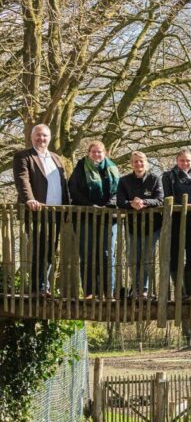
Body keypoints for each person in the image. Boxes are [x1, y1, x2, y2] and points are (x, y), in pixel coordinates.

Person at [13, 124, 69, 295]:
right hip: (37, 211)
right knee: (39, 248)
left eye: (44, 136)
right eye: (38, 135)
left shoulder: (57, 158)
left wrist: (68, 206)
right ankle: (38, 287)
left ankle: (44, 285)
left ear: (49, 138)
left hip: (56, 212)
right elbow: (23, 179)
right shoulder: (24, 156)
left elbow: (64, 183)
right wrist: (29, 199)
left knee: (51, 249)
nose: (41, 139)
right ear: (31, 137)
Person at [68, 140, 118, 298]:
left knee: (107, 254)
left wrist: (108, 205)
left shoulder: (113, 169)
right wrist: (90, 205)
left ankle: (108, 291)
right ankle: (90, 291)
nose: (97, 155)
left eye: (99, 152)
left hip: (108, 217)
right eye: (93, 152)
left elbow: (119, 191)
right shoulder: (80, 168)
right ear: (88, 153)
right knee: (87, 253)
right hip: (85, 217)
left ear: (105, 153)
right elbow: (73, 190)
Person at [116, 150, 163, 298]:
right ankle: (135, 288)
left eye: (141, 161)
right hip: (132, 227)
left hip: (153, 226)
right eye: (135, 161)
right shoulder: (124, 181)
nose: (139, 164)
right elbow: (120, 202)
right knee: (133, 258)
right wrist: (132, 204)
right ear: (131, 164)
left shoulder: (155, 179)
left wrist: (144, 202)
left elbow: (160, 199)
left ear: (146, 162)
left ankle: (144, 288)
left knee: (147, 258)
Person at [162, 149, 191, 300]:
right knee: (176, 254)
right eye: (182, 160)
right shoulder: (169, 176)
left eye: (188, 161)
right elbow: (167, 197)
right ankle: (179, 291)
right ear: (177, 161)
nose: (185, 163)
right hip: (175, 220)